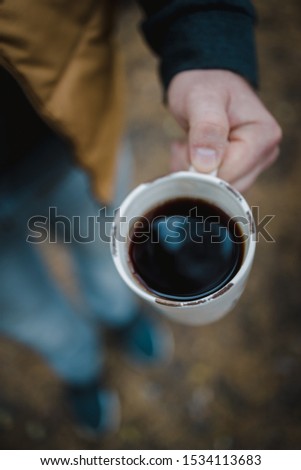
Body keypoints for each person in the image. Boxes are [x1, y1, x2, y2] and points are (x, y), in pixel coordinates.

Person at [0, 0, 281, 436]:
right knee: (32, 317)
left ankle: (121, 317)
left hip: (71, 143)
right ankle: (81, 369)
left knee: (105, 258)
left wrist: (206, 36)